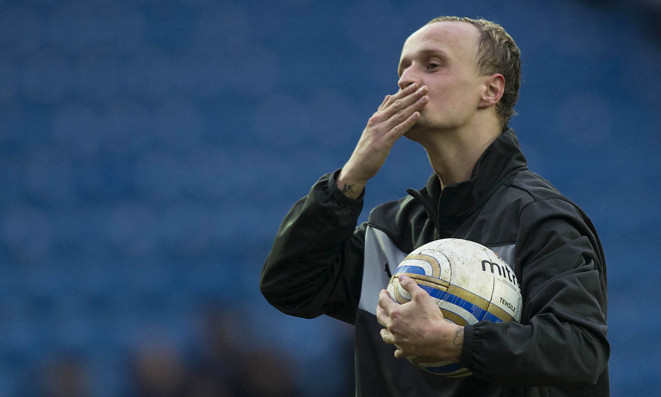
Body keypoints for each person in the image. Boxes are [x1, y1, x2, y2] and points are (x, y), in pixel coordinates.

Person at [260, 16, 609, 396]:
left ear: (490, 90)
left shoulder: (539, 218)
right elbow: (288, 285)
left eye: (431, 65)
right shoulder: (389, 231)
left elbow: (580, 350)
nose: (406, 80)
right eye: (403, 69)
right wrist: (349, 180)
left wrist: (457, 344)